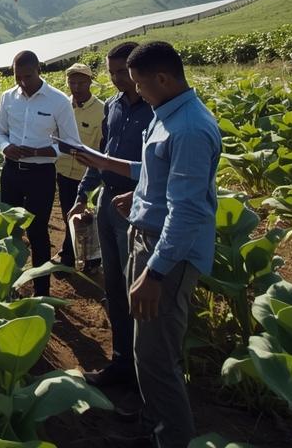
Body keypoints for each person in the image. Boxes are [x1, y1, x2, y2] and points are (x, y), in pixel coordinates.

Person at [71, 41, 220, 448]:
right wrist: (123, 183)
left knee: (157, 359)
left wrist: (155, 273)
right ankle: (153, 421)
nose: (133, 90)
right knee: (144, 350)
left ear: (162, 78)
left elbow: (187, 211)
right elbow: (152, 171)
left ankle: (171, 437)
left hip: (165, 254)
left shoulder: (189, 128)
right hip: (146, 236)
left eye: (138, 82)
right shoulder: (166, 113)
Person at [70, 41, 155, 388]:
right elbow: (103, 154)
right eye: (112, 72)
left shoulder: (155, 110)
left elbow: (159, 167)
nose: (118, 79)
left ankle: (143, 367)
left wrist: (140, 192)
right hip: (108, 201)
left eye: (123, 72)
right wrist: (82, 192)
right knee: (114, 284)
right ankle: (121, 360)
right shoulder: (114, 106)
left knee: (134, 281)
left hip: (137, 206)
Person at [0, 50, 82, 297]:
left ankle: (41, 291)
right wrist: (5, 147)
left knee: (38, 231)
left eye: (27, 76)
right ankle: (9, 286)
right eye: (17, 76)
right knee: (10, 230)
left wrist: (38, 151)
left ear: (39, 71)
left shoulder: (58, 101)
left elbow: (71, 143)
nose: (22, 82)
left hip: (40, 174)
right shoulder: (7, 97)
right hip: (11, 172)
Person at [56, 61, 104, 270]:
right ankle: (68, 254)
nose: (76, 87)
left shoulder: (102, 110)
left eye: (81, 83)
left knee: (89, 218)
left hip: (89, 174)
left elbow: (103, 147)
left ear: (89, 83)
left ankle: (93, 259)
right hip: (64, 170)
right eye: (72, 82)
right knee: (69, 213)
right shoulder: (62, 107)